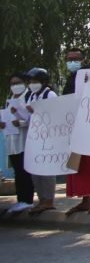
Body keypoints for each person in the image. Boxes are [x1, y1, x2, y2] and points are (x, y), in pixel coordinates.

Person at [61, 48, 90, 215]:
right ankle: (85, 200)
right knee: (79, 165)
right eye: (69, 59)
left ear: (82, 60)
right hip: (75, 126)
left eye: (75, 58)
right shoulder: (70, 79)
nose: (72, 62)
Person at [23, 66, 57, 215]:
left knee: (47, 170)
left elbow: (55, 114)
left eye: (35, 80)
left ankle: (49, 200)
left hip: (47, 137)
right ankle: (41, 199)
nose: (32, 83)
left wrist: (37, 111)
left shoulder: (50, 95)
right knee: (35, 171)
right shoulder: (31, 96)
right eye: (30, 81)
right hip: (34, 137)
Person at [2, 72, 33, 214]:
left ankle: (27, 200)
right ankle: (21, 199)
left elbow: (33, 118)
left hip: (24, 139)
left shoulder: (28, 97)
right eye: (13, 83)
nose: (15, 86)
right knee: (17, 171)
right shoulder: (9, 99)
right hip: (11, 139)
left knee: (24, 170)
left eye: (18, 82)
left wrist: (20, 122)